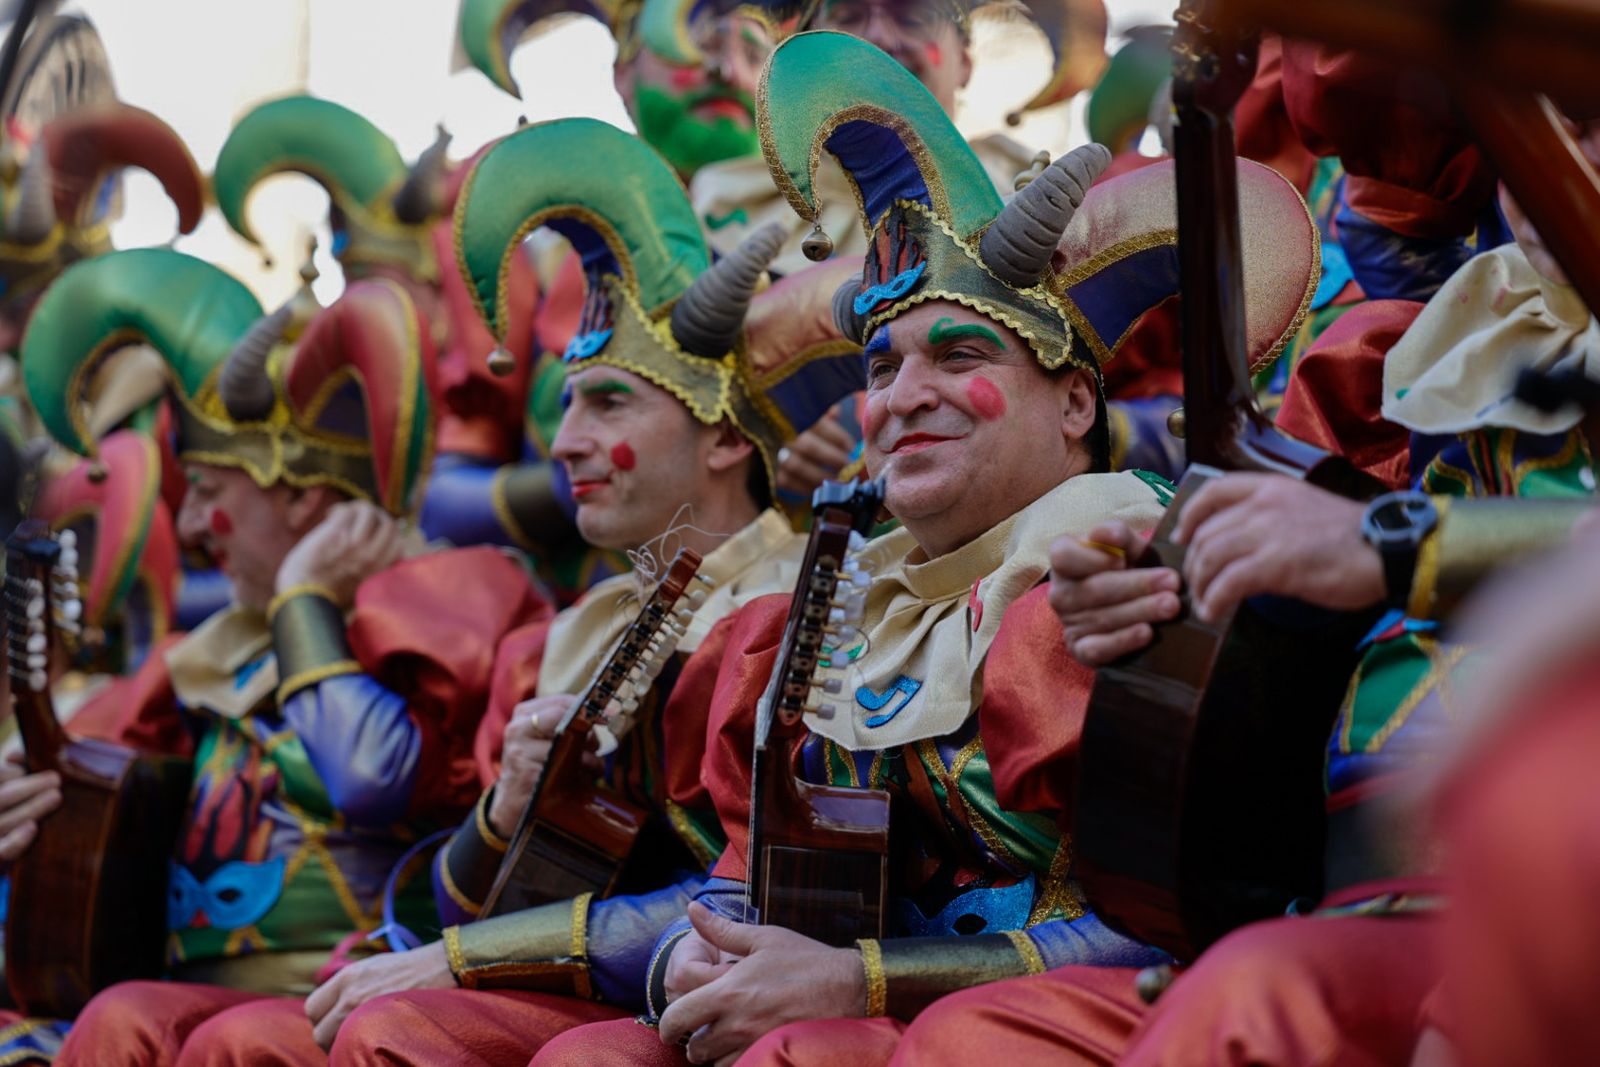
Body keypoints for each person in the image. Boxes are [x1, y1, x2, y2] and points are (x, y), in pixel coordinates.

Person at [526, 30, 1320, 1067]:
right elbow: (738, 890)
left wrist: (863, 979)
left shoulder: (1130, 571)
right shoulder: (821, 615)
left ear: (1076, 397)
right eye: (881, 366)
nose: (902, 397)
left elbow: (1186, 918)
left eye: (958, 353)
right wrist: (692, 955)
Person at [117, 117, 867, 1067]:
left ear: (725, 439)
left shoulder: (809, 604)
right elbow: (457, 903)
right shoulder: (570, 633)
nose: (561, 445)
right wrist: (505, 809)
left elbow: (776, 896)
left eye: (608, 404)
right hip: (579, 989)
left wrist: (460, 960)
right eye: (563, 408)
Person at [878, 129, 1600, 1067]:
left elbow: (1379, 552)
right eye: (1547, 122)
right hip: (1348, 901)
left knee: (1256, 996)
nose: (901, 398)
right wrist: (1179, 613)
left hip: (1526, 900)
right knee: (977, 1041)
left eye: (1585, 121)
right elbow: (1327, 609)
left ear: (1074, 405)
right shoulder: (1421, 358)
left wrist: (1388, 547)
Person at [6, 248, 552, 1064]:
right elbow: (81, 773)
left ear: (303, 495)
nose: (189, 530)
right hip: (191, 994)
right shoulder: (208, 649)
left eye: (212, 495)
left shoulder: (453, 598)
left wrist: (304, 601)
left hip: (362, 998)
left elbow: (371, 776)